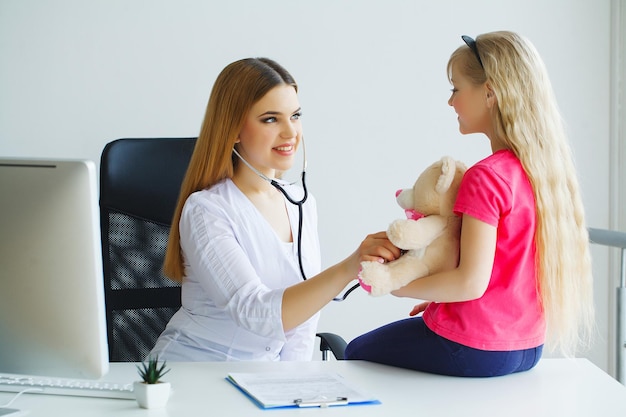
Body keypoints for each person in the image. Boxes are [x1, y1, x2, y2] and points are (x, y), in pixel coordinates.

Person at [345, 31, 595, 377]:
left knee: (355, 352)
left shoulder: (486, 177)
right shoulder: (543, 173)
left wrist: (397, 286)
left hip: (474, 347)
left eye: (456, 89)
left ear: (490, 93)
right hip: (527, 347)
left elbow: (469, 283)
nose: (451, 103)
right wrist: (440, 303)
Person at [150, 57, 399, 361]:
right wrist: (349, 268)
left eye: (295, 116)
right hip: (193, 373)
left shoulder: (301, 203)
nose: (290, 132)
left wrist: (294, 390)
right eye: (271, 119)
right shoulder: (206, 210)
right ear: (234, 129)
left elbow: (303, 325)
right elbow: (255, 313)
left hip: (260, 384)